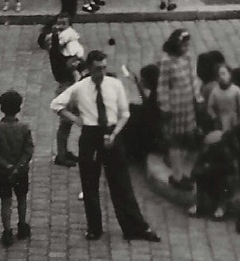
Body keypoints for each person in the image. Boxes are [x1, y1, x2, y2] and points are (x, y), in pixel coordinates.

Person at [50, 49, 161, 243]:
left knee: (121, 183)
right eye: (97, 69)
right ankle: (94, 228)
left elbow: (124, 113)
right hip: (90, 136)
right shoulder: (80, 87)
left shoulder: (114, 85)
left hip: (112, 134)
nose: (101, 73)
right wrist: (77, 120)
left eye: (103, 68)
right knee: (90, 183)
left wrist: (114, 133)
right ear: (90, 69)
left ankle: (134, 227)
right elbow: (56, 105)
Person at [0, 89, 34, 246]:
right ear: (19, 108)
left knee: (5, 201)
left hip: (3, 172)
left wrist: (6, 165)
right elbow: (28, 150)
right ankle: (22, 225)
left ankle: (7, 231)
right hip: (21, 172)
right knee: (21, 198)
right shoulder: (24, 128)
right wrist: (19, 166)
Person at [37, 15, 85, 165]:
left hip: (69, 84)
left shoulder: (66, 48)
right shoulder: (57, 52)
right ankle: (61, 155)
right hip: (66, 87)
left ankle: (63, 151)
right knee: (65, 124)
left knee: (66, 125)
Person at [155, 29, 200, 188]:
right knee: (175, 140)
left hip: (187, 104)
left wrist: (197, 96)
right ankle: (177, 176)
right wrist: (165, 106)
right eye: (183, 44)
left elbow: (193, 78)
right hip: (175, 105)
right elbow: (162, 86)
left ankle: (181, 172)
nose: (186, 47)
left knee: (186, 138)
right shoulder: (167, 61)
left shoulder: (187, 58)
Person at [190, 128, 238, 223]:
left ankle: (221, 207)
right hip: (209, 179)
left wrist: (211, 167)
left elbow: (231, 170)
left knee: (225, 181)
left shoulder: (226, 153)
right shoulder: (205, 153)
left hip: (222, 181)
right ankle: (198, 204)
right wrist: (200, 170)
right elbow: (195, 168)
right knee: (199, 179)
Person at [208, 66, 240, 134]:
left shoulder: (236, 90)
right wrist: (215, 117)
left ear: (230, 75)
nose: (221, 77)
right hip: (221, 119)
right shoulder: (215, 92)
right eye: (219, 75)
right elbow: (210, 107)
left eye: (223, 74)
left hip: (234, 119)